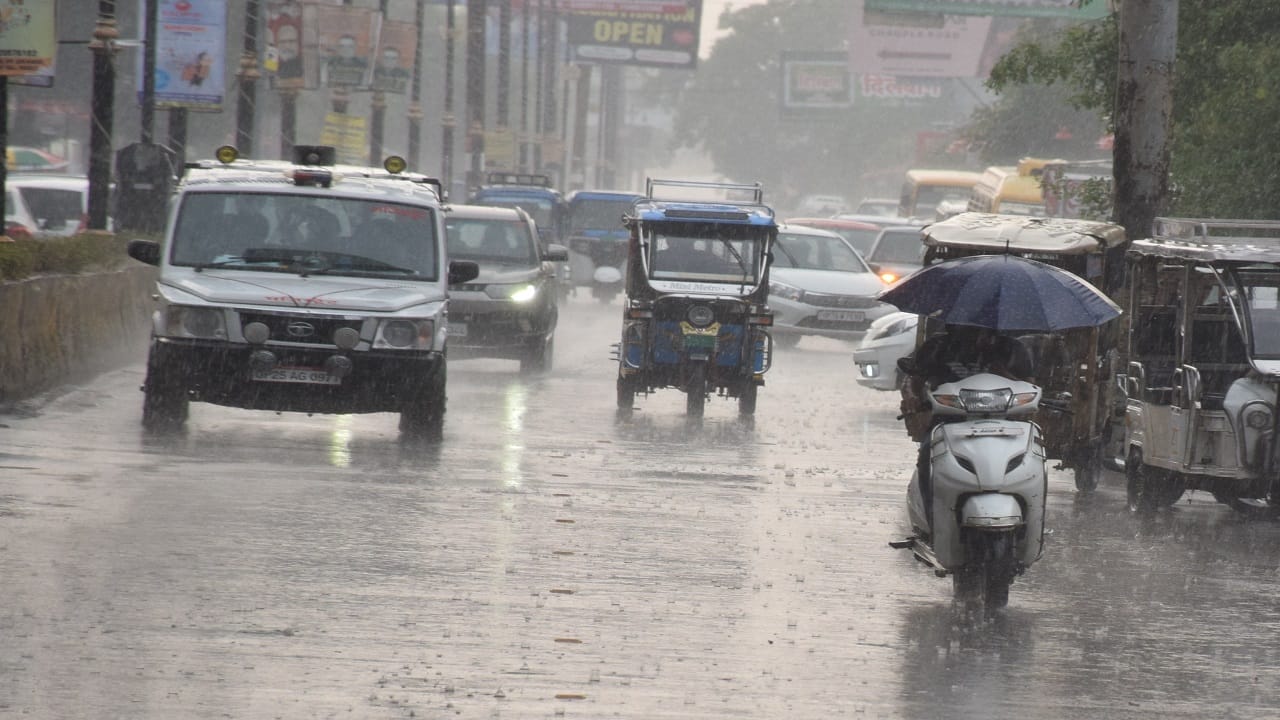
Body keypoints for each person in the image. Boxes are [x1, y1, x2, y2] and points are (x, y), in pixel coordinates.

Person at [897, 323, 1035, 537]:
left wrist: (1004, 373)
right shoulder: (938, 346)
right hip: (948, 423)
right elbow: (916, 380)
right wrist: (916, 399)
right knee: (927, 459)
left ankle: (1029, 528)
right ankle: (932, 522)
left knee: (1032, 462)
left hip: (1005, 425)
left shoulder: (1012, 350)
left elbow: (1030, 385)